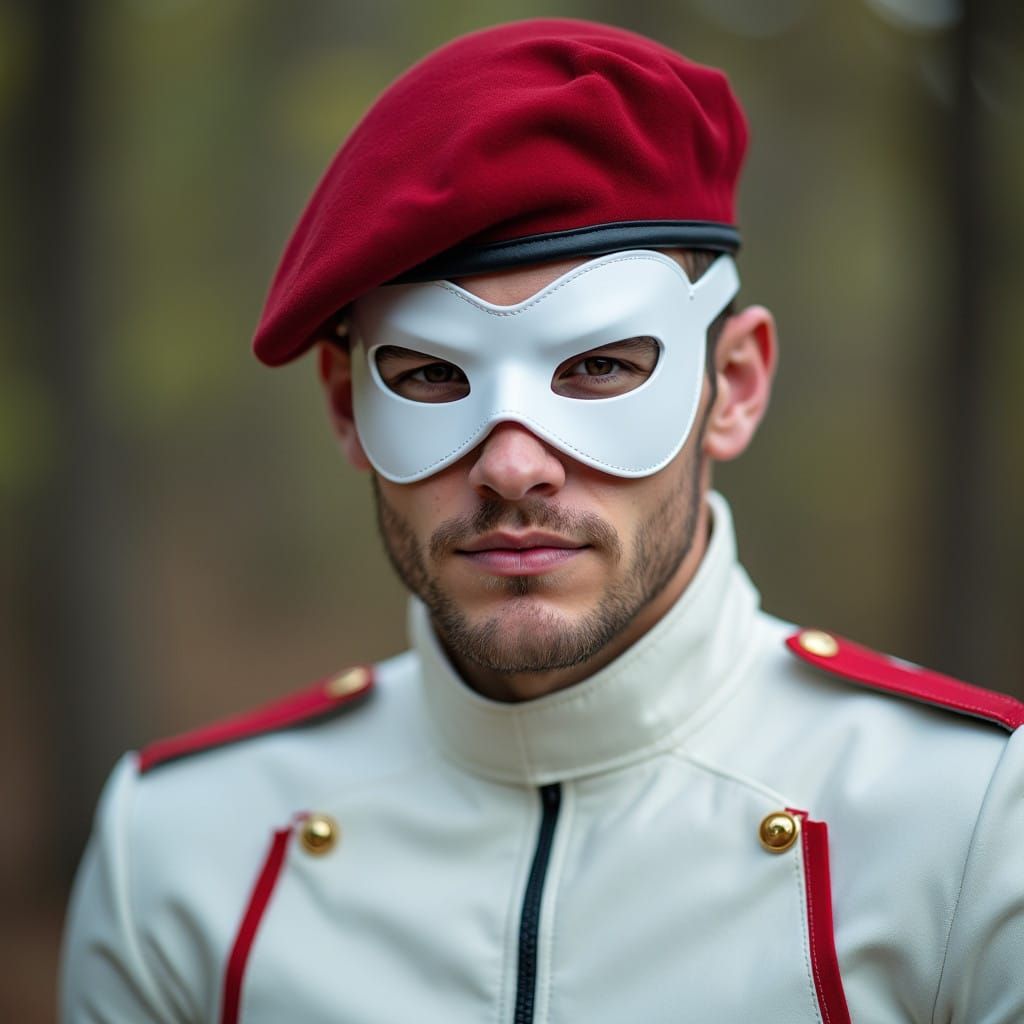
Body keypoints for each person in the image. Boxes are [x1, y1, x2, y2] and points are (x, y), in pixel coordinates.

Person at [61, 18, 1024, 1024]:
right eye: (431, 375)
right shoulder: (176, 861)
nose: (513, 466)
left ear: (730, 385)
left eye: (601, 366)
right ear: (346, 404)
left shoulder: (968, 827)